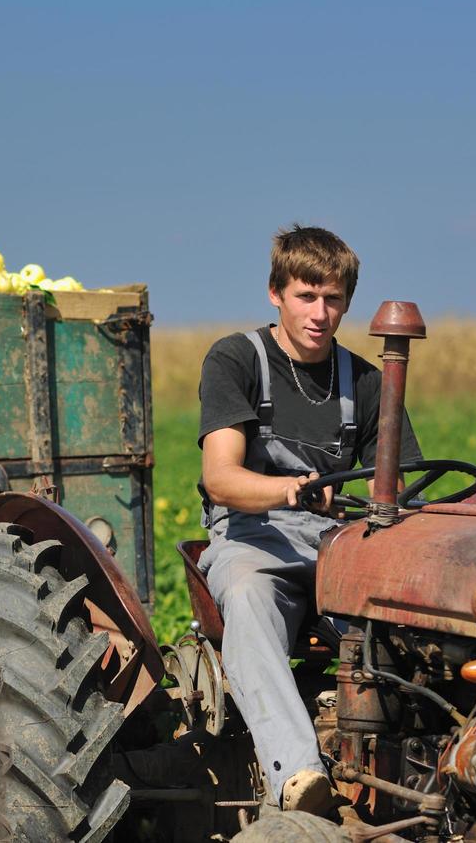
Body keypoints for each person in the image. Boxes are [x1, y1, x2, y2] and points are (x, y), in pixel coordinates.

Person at [196, 225, 420, 815]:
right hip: (254, 537)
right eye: (306, 295)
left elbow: (397, 482)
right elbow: (222, 476)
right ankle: (298, 777)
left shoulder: (367, 380)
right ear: (276, 292)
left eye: (334, 299)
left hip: (338, 544)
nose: (320, 313)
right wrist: (290, 491)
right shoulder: (237, 358)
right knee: (245, 594)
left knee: (417, 620)